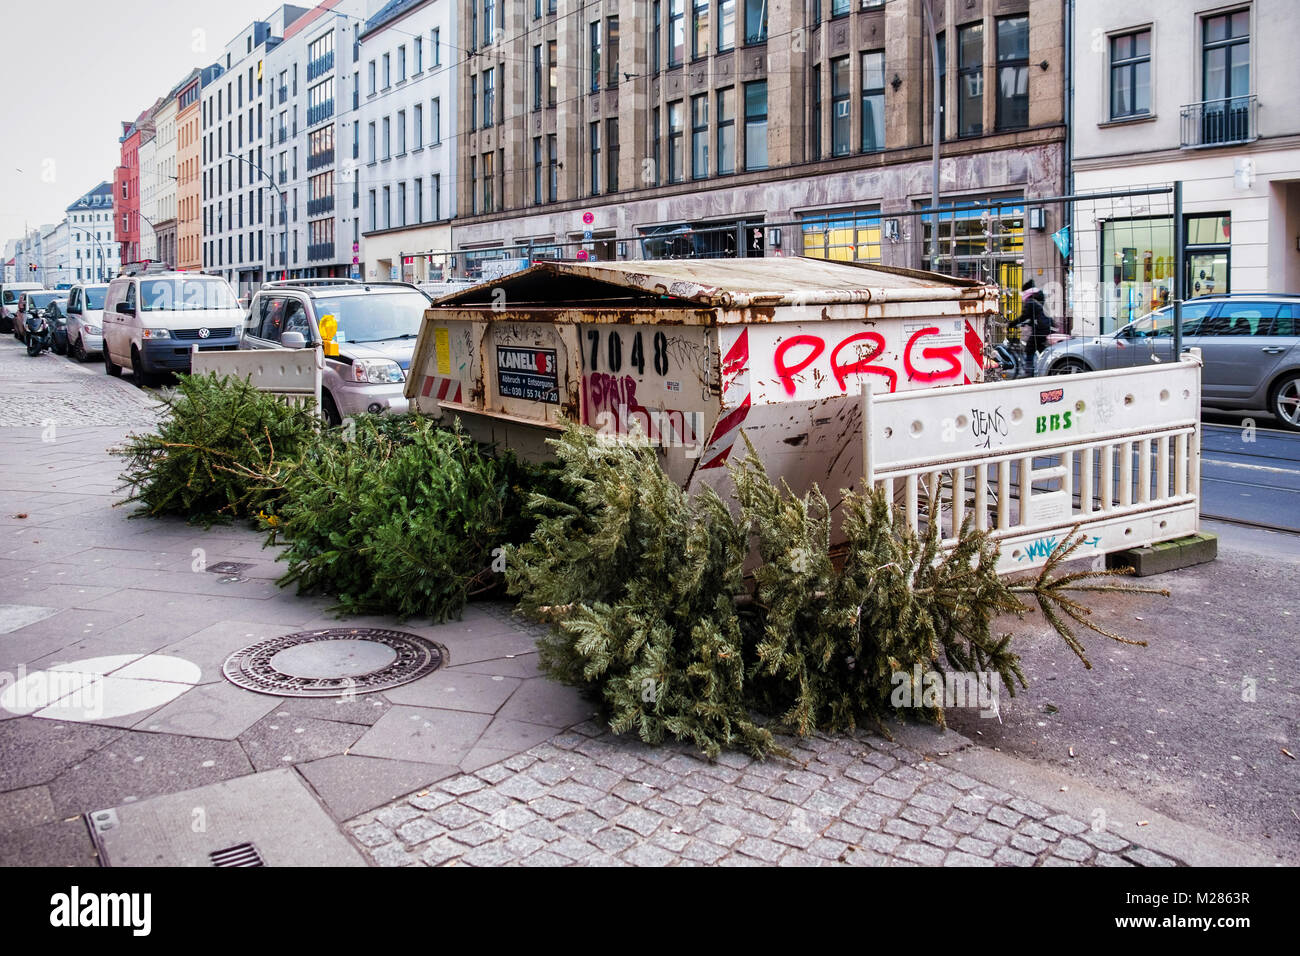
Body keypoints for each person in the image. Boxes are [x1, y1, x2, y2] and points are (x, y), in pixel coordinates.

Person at [1010, 281, 1053, 377]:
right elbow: (1036, 315)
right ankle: (1044, 370)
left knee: (1029, 349)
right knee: (1041, 350)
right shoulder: (1037, 299)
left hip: (1040, 329)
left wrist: (1012, 324)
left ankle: (1029, 374)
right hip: (1045, 327)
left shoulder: (1030, 301)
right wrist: (1028, 322)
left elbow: (1024, 316)